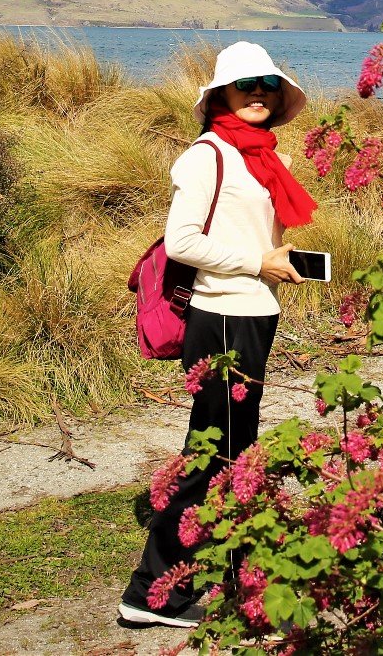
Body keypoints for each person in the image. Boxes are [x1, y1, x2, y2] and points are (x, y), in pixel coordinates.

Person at [118, 41, 317, 629]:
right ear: (222, 95)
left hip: (253, 314)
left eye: (268, 83)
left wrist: (276, 264)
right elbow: (181, 242)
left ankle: (240, 578)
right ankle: (153, 593)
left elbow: (252, 239)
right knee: (211, 453)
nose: (259, 91)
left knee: (237, 451)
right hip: (224, 316)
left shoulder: (259, 158)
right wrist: (258, 263)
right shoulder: (209, 156)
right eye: (246, 83)